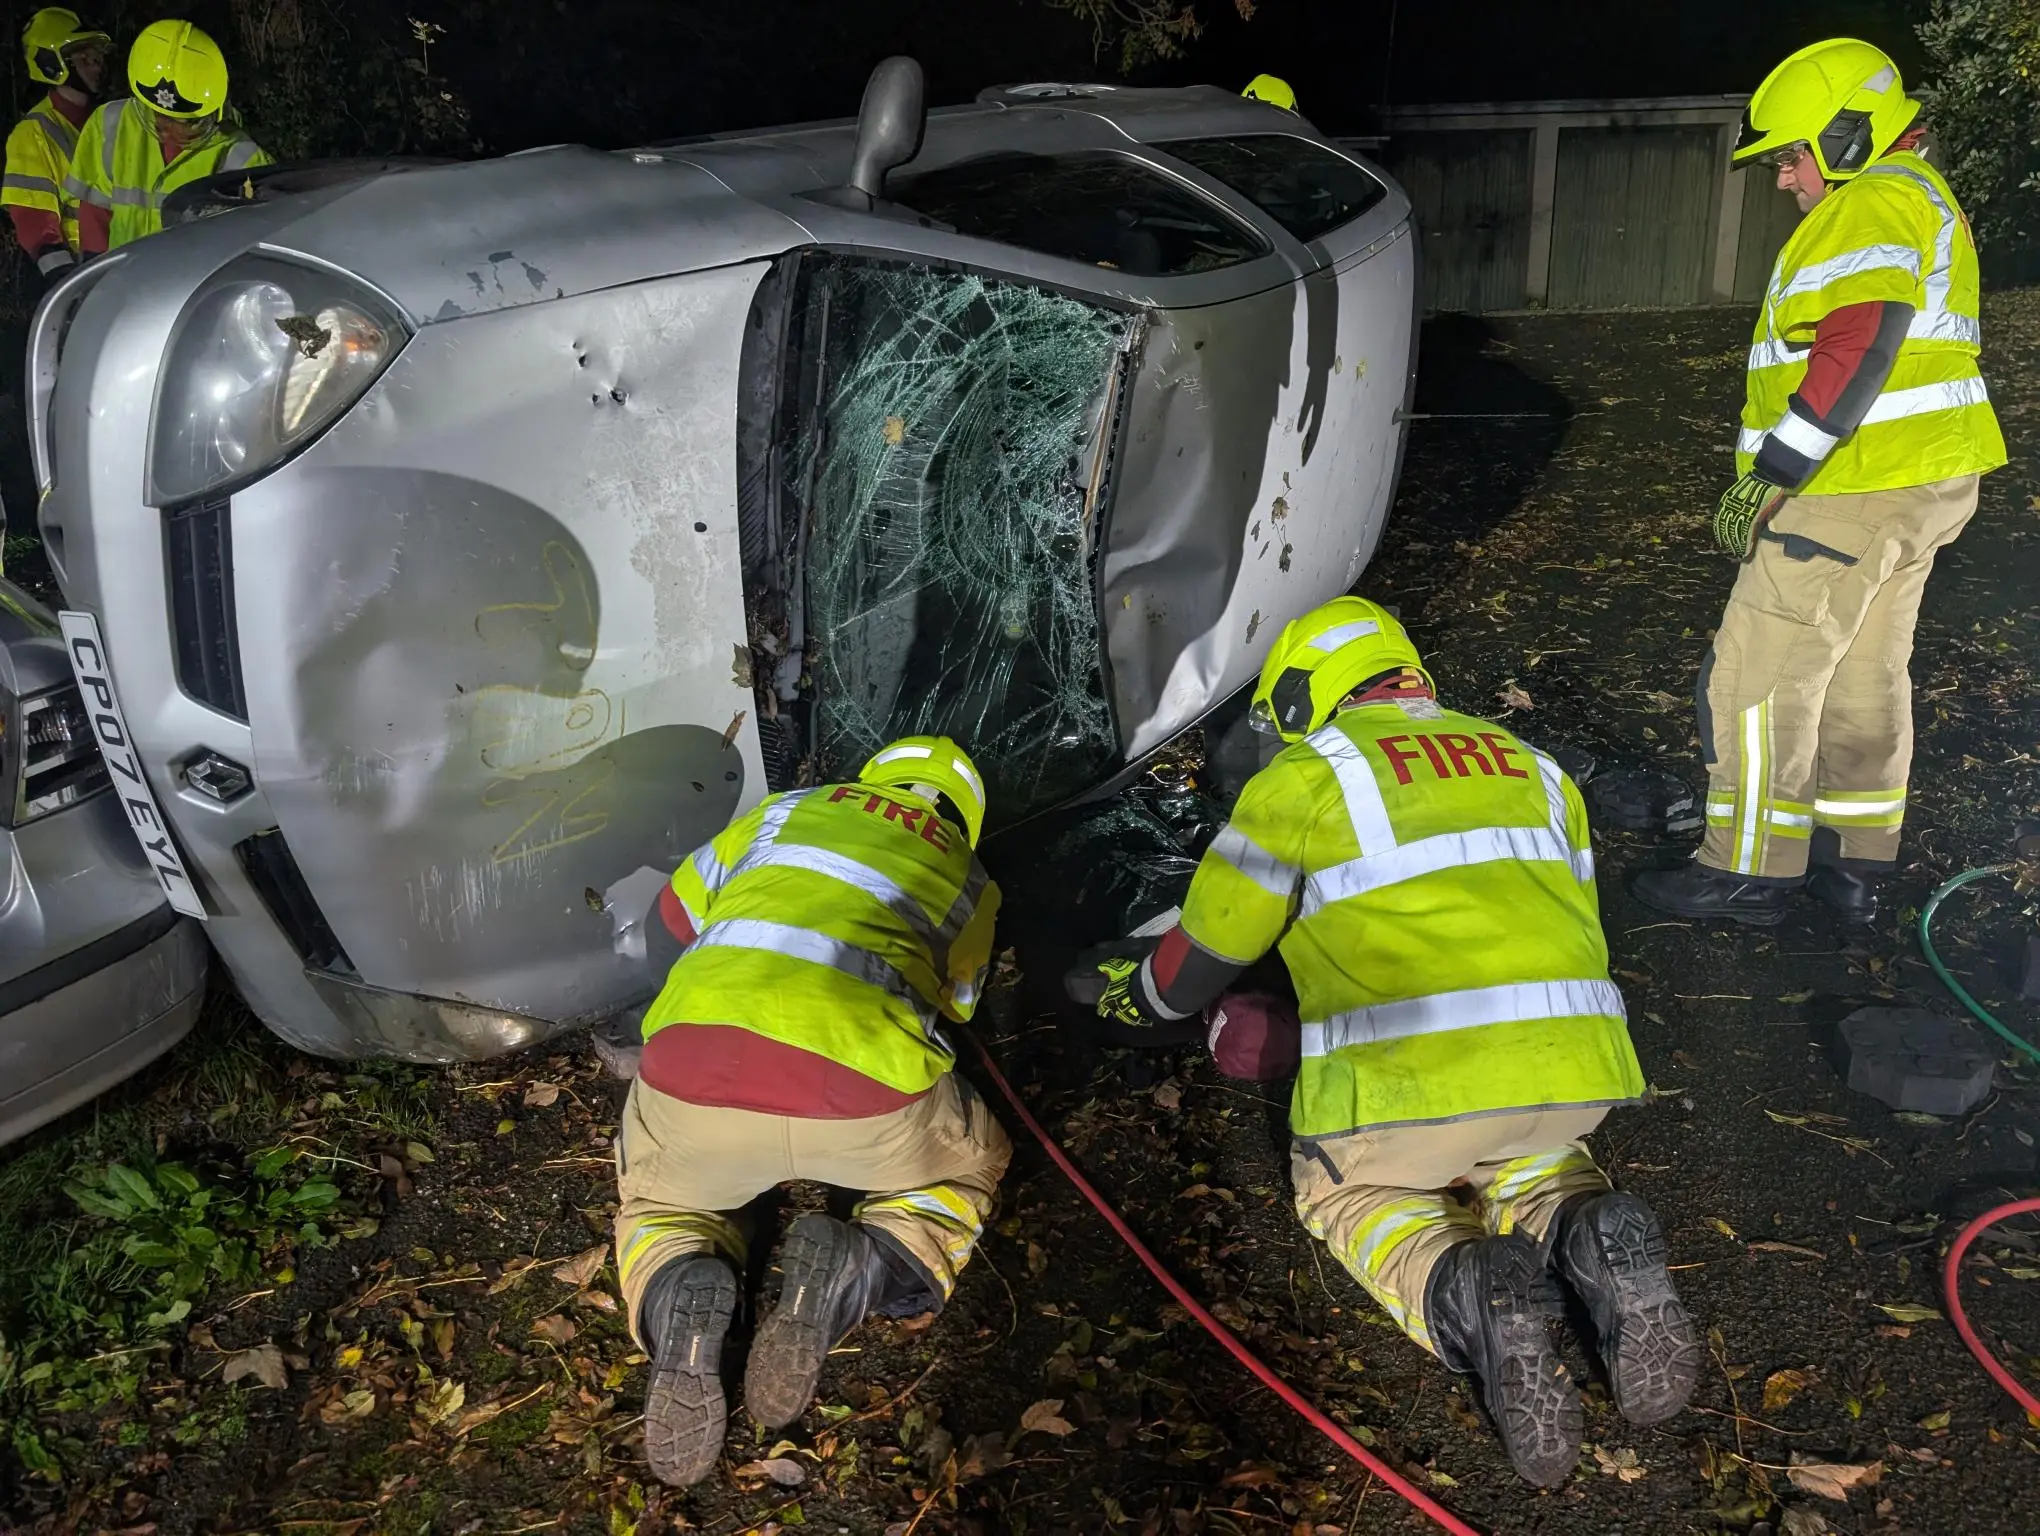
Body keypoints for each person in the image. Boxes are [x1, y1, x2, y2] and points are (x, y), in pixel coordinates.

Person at [1084, 598, 1698, 1486]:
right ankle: (1583, 1221)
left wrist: (1132, 994)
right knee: (1531, 1155)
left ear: (1298, 698)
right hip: (1576, 1078)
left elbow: (1201, 957)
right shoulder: (1536, 766)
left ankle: (1456, 1281)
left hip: (1410, 1090)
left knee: (1353, 1192)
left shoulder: (1308, 777)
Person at [1631, 38, 2005, 929]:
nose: (1784, 180)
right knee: (1863, 674)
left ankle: (1749, 870)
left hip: (1852, 486)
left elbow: (1859, 340)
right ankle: (1852, 864)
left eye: (1792, 156)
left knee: (1756, 676)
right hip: (1922, 483)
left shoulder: (1869, 201)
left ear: (1843, 137)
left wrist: (1773, 474)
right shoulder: (1921, 197)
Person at [613, 736, 1010, 1486]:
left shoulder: (781, 812)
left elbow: (667, 924)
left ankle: (676, 1293)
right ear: (966, 818)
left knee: (658, 1204)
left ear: (871, 781)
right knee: (971, 1162)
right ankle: (865, 1264)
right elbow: (956, 1003)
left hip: (695, 1080)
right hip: (859, 1102)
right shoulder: (970, 875)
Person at [65, 18, 270, 255]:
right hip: (121, 280)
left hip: (188, 289)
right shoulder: (110, 124)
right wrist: (97, 280)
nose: (166, 131)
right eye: (158, 118)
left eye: (180, 122)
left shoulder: (244, 160)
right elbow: (94, 212)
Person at [3, 9, 109, 284]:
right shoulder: (33, 133)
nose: (97, 65)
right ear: (54, 65)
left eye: (96, 56)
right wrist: (68, 286)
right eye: (84, 57)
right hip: (82, 275)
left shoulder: (105, 122)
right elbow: (35, 225)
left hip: (119, 268)